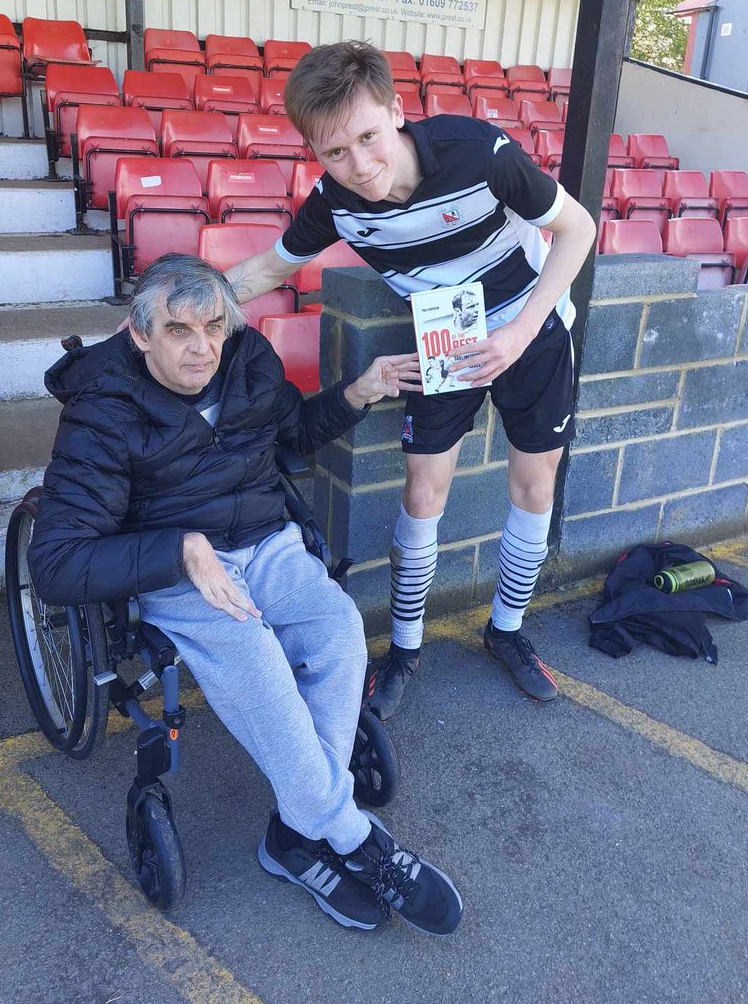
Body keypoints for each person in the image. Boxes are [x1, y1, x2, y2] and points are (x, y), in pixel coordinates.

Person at [27, 254, 463, 936]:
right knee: (254, 657)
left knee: (338, 629)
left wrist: (360, 391)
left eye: (213, 326)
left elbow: (290, 433)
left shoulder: (248, 360)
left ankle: (292, 837)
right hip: (174, 568)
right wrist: (179, 549)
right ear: (140, 335)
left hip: (267, 540)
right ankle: (353, 837)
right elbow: (55, 561)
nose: (203, 347)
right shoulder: (102, 415)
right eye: (179, 331)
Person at [226, 41, 597, 714]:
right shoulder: (334, 201)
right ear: (316, 152)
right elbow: (267, 271)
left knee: (533, 484)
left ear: (397, 112)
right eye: (335, 152)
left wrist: (517, 333)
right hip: (445, 337)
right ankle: (403, 647)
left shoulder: (478, 154)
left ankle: (507, 631)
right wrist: (165, 316)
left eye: (369, 137)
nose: (360, 166)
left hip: (530, 325)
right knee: (423, 492)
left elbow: (578, 229)